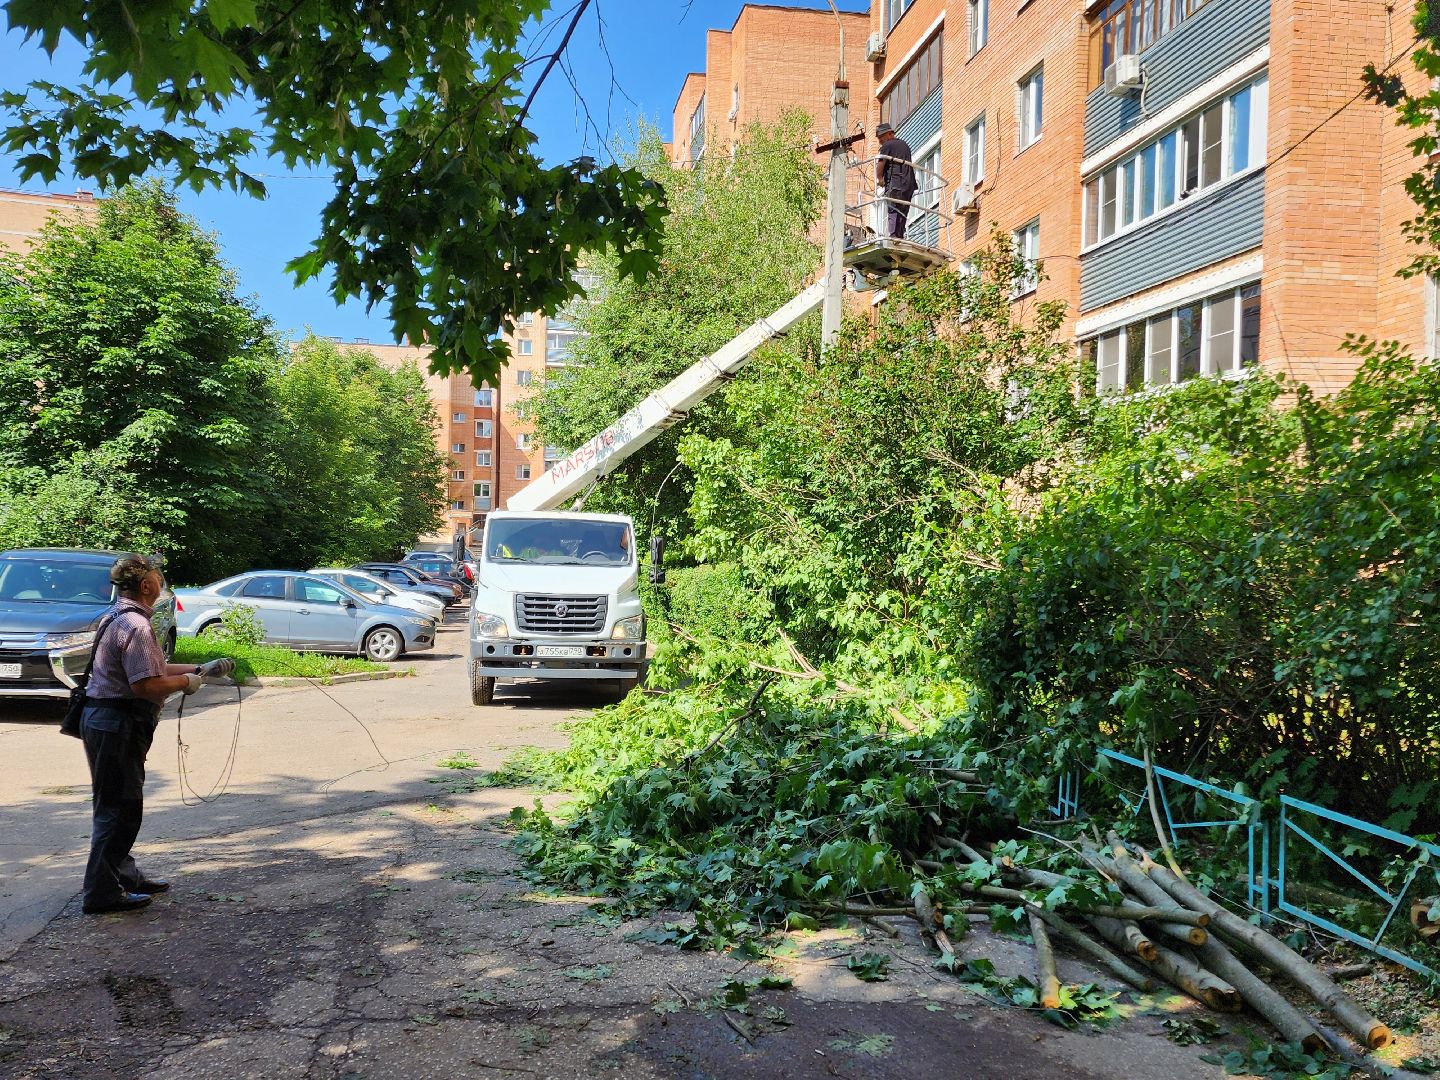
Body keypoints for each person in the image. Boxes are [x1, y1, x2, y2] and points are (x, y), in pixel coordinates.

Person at [79, 553, 235, 915]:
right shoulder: (136, 625)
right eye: (158, 576)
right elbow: (146, 684)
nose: (161, 581)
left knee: (118, 805)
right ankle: (101, 892)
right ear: (147, 585)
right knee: (118, 809)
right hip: (117, 724)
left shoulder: (118, 617)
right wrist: (188, 682)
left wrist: (202, 668)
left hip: (106, 721)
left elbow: (153, 666)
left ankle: (123, 876)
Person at [875, 122, 917, 240]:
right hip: (909, 183)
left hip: (896, 181)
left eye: (881, 137)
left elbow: (881, 163)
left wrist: (880, 179)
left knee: (893, 206)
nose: (880, 141)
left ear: (889, 134)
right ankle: (900, 235)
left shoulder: (888, 145)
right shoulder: (904, 145)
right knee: (903, 209)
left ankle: (893, 235)